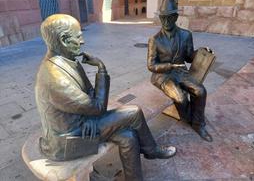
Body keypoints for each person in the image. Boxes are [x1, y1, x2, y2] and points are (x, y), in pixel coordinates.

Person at [35, 14, 176, 181]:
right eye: (79, 36)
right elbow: (98, 107)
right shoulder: (54, 78)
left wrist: (87, 116)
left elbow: (90, 95)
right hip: (66, 143)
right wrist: (101, 68)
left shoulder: (67, 60)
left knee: (128, 136)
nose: (82, 41)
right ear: (64, 40)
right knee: (134, 113)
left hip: (82, 126)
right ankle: (152, 151)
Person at [147, 0, 213, 142]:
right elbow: (151, 65)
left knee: (200, 91)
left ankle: (198, 124)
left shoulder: (185, 35)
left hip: (180, 72)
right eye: (163, 18)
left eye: (169, 17)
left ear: (176, 17)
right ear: (160, 18)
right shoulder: (155, 39)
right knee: (180, 98)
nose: (165, 21)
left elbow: (189, 57)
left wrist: (201, 52)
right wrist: (169, 66)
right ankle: (189, 117)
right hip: (162, 75)